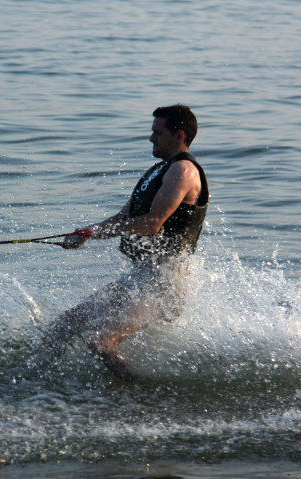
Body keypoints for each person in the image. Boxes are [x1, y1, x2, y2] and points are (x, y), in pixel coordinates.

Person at [45, 104, 209, 378]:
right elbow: (124, 216)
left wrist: (93, 233)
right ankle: (42, 387)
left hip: (165, 282)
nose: (151, 138)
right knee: (64, 325)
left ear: (179, 136)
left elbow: (152, 223)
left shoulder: (184, 171)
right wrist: (86, 232)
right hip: (142, 276)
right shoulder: (160, 170)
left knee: (100, 340)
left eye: (157, 132)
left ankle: (138, 397)